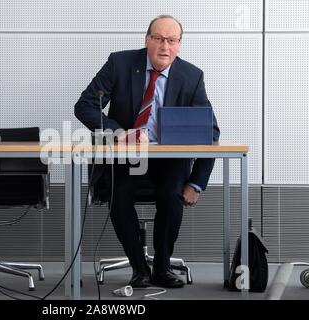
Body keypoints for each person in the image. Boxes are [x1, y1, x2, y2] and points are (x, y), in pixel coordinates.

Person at [74, 15, 220, 288]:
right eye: (159, 39)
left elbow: (209, 133)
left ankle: (163, 267)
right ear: (147, 40)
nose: (165, 46)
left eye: (172, 40)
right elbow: (85, 106)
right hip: (125, 156)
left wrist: (197, 183)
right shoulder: (119, 63)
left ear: (179, 45)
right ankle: (139, 269)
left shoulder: (191, 76)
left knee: (171, 196)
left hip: (168, 161)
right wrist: (119, 133)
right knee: (120, 195)